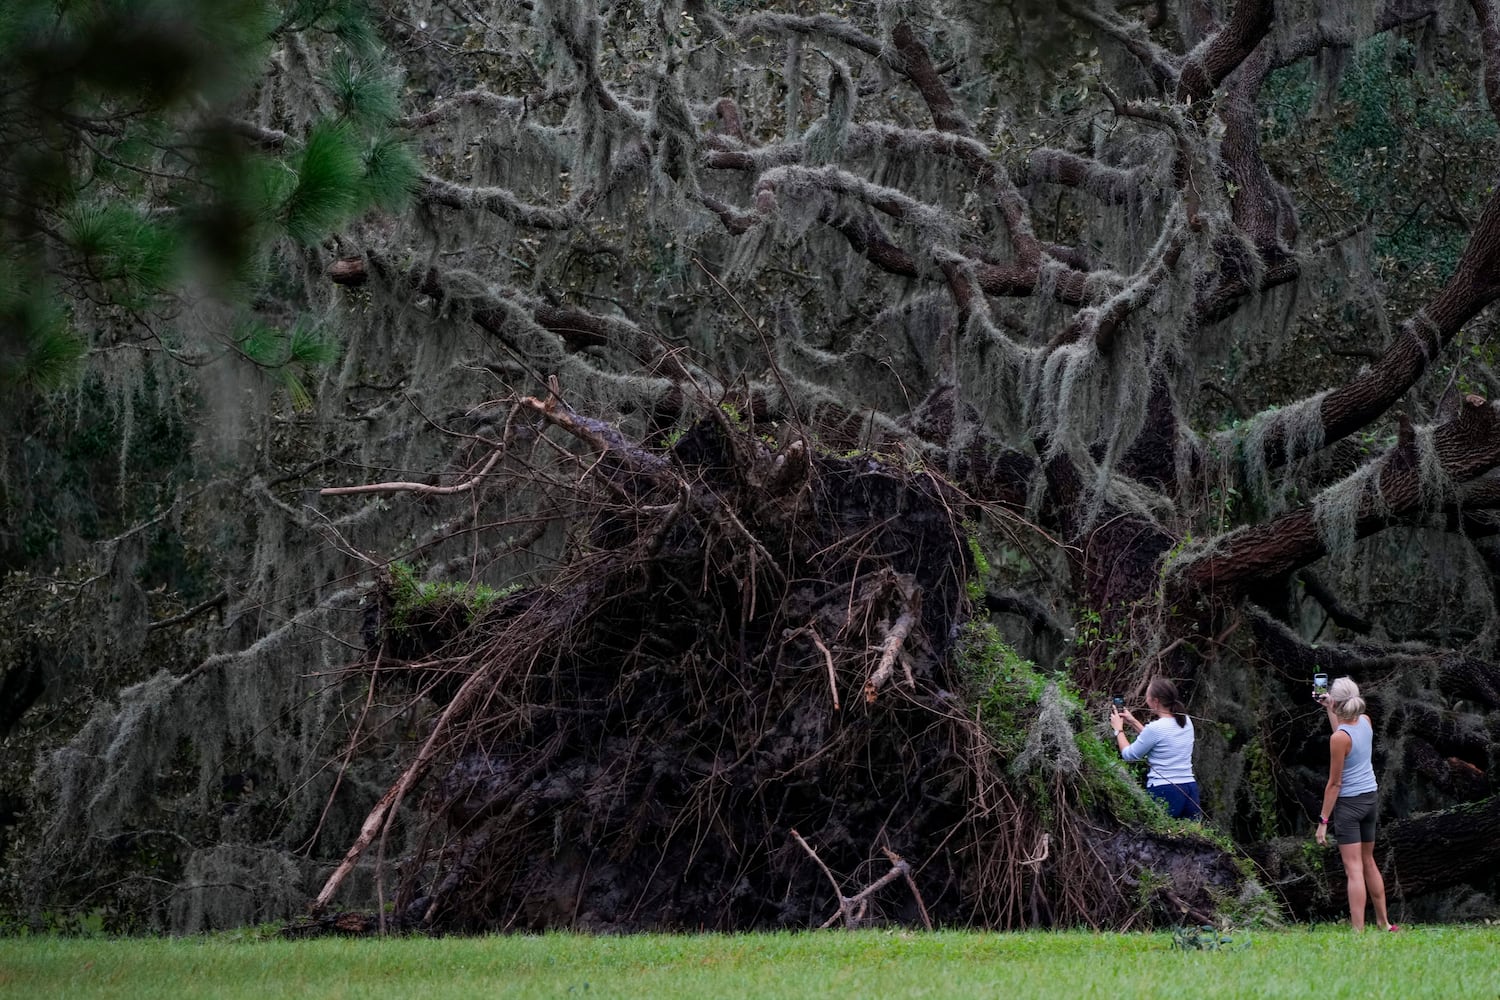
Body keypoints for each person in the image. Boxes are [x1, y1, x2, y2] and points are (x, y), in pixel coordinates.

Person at [1315, 676, 1398, 932]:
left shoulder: (1340, 738)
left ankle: (1358, 931)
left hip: (1349, 806)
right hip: (1370, 799)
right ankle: (1384, 923)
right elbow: (1342, 734)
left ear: (1339, 702)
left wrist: (1323, 822)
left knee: (1353, 870)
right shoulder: (1365, 721)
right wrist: (1331, 708)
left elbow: (1334, 784)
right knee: (1368, 861)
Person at [1109, 677, 1201, 819]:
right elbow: (1161, 739)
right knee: (1190, 839)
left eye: (1147, 697)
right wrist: (1133, 721)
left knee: (1157, 838)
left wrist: (1118, 729)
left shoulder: (1156, 728)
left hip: (1165, 789)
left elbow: (1129, 755)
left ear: (1155, 701)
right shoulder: (1186, 721)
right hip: (1189, 789)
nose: (1146, 700)